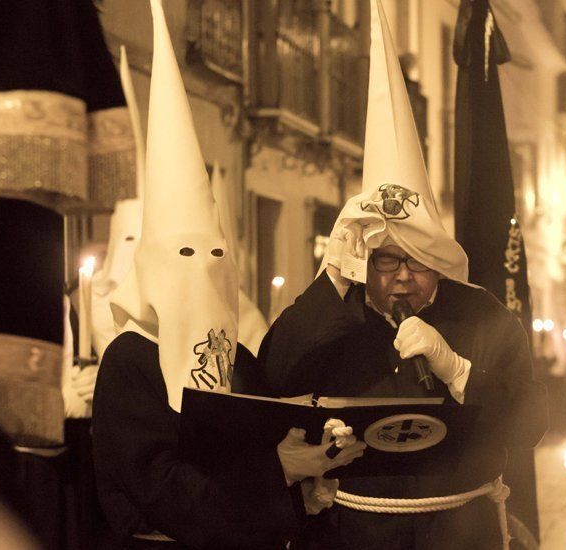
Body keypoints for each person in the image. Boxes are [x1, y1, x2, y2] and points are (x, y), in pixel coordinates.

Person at [252, 2, 547, 548]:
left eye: (418, 261)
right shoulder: (333, 313)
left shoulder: (483, 315)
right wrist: (334, 282)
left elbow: (529, 425)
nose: (403, 279)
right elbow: (274, 375)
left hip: (460, 531)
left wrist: (458, 370)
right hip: (353, 531)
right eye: (388, 261)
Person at [92, 3, 364, 548]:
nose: (204, 269)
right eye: (186, 254)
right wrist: (282, 475)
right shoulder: (130, 360)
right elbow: (163, 491)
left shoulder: (235, 356)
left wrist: (305, 490)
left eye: (217, 254)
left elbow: (261, 454)